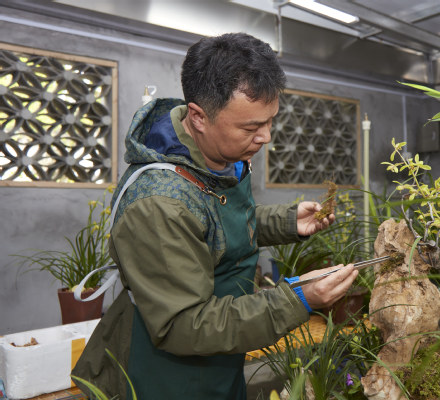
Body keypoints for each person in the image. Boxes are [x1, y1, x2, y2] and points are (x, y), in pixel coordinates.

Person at [72, 32, 358, 399]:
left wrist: (286, 221)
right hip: (169, 377)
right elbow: (184, 324)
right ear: (199, 117)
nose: (266, 137)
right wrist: (297, 299)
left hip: (223, 357)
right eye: (251, 127)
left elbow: (212, 226)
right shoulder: (158, 203)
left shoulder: (218, 157)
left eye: (270, 121)